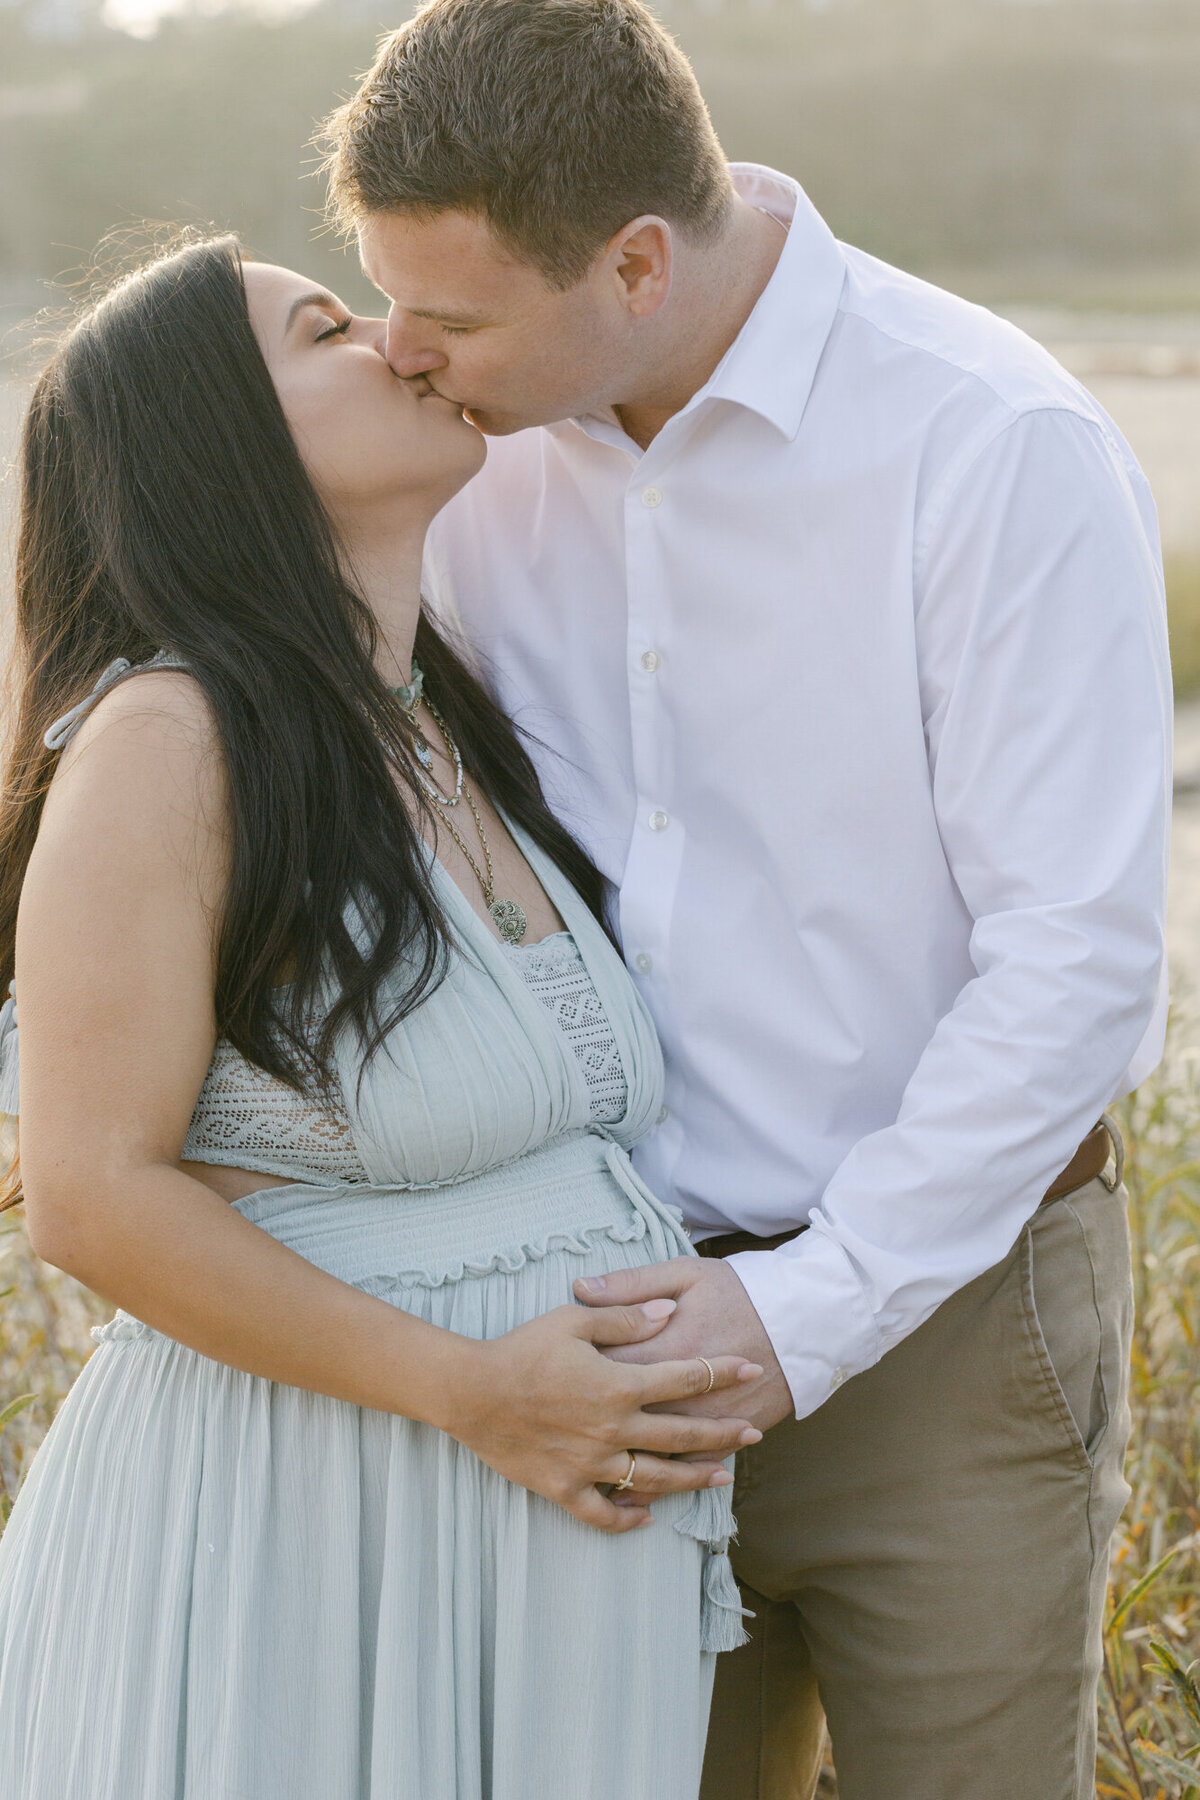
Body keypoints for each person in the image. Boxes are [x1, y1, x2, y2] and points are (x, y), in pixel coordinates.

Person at [320, 2, 1173, 1796]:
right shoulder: (454, 466)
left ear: (636, 261)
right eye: (386, 299)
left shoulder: (990, 445)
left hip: (944, 1323)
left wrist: (806, 1315)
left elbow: (1078, 968)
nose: (403, 352)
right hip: (585, 1340)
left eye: (454, 316)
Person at [0, 235, 762, 1800]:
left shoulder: (441, 724)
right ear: (218, 438)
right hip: (306, 1538)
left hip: (534, 1548)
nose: (408, 341)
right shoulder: (166, 739)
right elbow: (88, 1196)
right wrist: (478, 1393)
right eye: (330, 327)